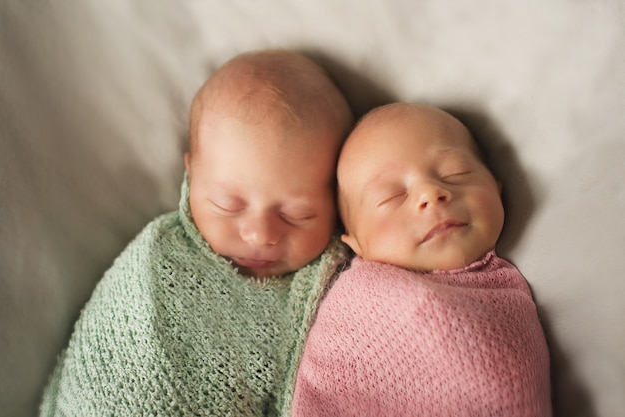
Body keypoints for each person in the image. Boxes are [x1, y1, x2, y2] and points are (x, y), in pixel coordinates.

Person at [40, 49, 354, 416]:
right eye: (228, 205)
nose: (259, 234)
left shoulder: (333, 292)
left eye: (296, 214)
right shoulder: (159, 258)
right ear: (192, 174)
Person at [291, 103, 552, 416]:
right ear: (357, 245)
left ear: (496, 189)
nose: (430, 192)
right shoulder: (360, 301)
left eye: (455, 172)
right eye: (391, 196)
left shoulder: (505, 296)